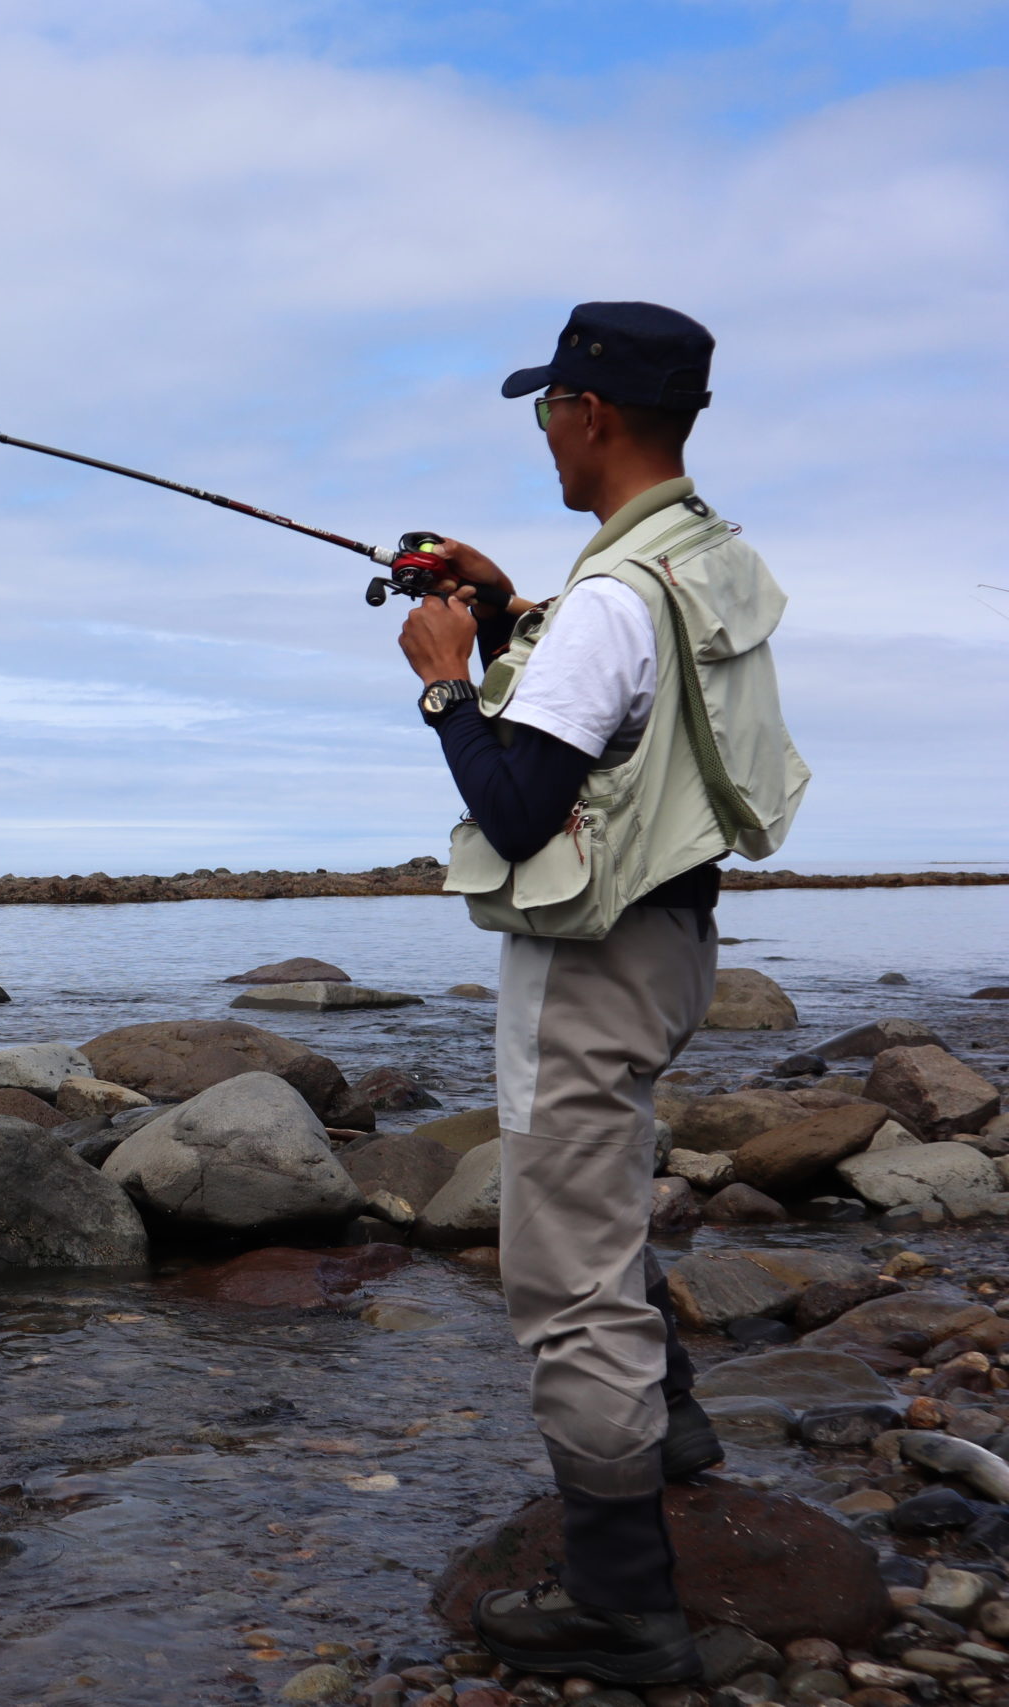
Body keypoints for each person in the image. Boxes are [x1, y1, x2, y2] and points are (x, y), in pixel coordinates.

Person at [395, 302, 810, 1686]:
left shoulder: (618, 599)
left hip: (595, 966)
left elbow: (520, 810)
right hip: (679, 945)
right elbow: (638, 708)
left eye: (548, 409)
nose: (543, 432)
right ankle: (677, 1431)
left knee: (566, 1277)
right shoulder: (703, 559)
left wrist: (450, 684)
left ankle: (627, 1604)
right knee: (605, 1181)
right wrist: (515, 609)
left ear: (594, 417)